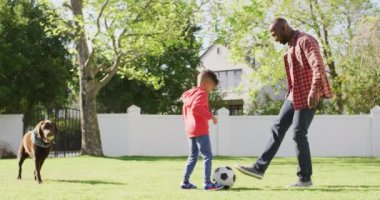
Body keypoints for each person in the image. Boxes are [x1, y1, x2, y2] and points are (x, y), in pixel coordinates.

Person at [235, 18, 333, 187]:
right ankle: (259, 168)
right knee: (278, 127)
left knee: (298, 133)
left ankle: (305, 178)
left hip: (309, 95)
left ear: (284, 27)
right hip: (295, 95)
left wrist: (314, 89)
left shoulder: (305, 40)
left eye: (275, 34)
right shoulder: (291, 46)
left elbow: (318, 65)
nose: (274, 38)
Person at [180, 70, 224, 190]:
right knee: (207, 155)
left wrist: (188, 124)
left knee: (193, 156)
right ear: (205, 84)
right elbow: (196, 107)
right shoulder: (202, 93)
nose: (212, 90)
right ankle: (207, 183)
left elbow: (185, 113)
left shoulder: (189, 94)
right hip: (200, 129)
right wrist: (211, 116)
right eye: (212, 87)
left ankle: (185, 182)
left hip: (190, 130)